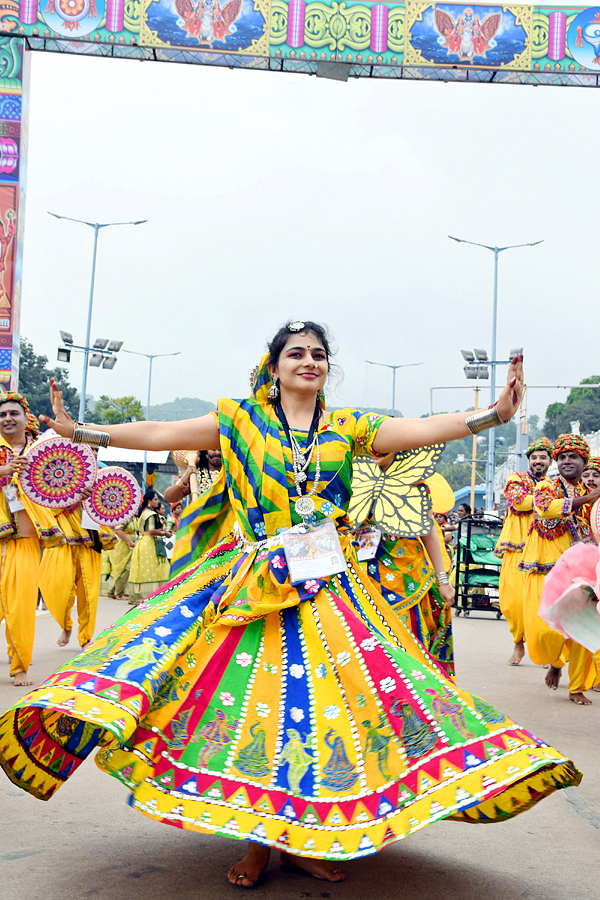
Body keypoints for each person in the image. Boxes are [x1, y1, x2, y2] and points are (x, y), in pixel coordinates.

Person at [0, 325, 580, 888]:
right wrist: (86, 434)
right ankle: (261, 842)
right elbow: (159, 431)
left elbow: (423, 427)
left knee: (325, 714)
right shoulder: (238, 418)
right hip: (252, 584)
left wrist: (496, 414)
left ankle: (294, 843)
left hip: (332, 586)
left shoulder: (349, 426)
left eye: (319, 354)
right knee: (260, 711)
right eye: (296, 353)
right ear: (274, 366)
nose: (310, 361)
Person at [520, 434, 600, 705]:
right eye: (562, 456)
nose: (567, 461)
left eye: (573, 457)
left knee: (581, 627)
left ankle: (576, 687)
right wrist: (588, 498)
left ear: (583, 461)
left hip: (581, 569)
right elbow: (546, 509)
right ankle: (556, 662)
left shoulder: (591, 493)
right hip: (546, 566)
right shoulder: (547, 486)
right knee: (545, 632)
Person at [0, 392, 66, 686]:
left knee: (21, 606)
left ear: (26, 418)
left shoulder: (42, 451)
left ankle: (19, 666)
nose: (7, 419)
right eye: (2, 415)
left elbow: (60, 490)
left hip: (25, 541)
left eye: (13, 413)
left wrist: (77, 493)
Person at [495, 437, 553, 666]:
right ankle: (518, 643)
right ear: (529, 460)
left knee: (542, 601)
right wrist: (548, 502)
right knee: (513, 601)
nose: (538, 461)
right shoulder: (515, 478)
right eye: (535, 457)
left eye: (543, 457)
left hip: (542, 549)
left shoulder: (554, 484)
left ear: (550, 461)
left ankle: (545, 650)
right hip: (516, 548)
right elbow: (519, 502)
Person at [127, 489, 172, 605]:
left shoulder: (142, 513)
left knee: (144, 569)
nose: (157, 502)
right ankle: (153, 594)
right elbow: (151, 530)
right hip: (149, 543)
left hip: (142, 542)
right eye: (155, 500)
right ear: (149, 501)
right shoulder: (151, 514)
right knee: (154, 568)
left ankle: (141, 594)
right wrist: (164, 533)